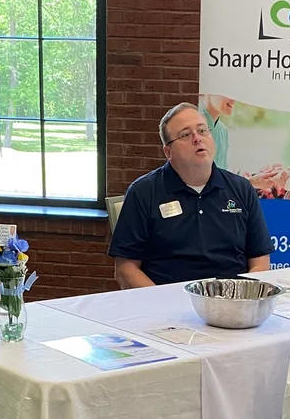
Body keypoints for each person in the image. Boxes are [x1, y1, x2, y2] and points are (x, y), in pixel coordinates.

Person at [109, 102, 272, 288]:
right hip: (166, 306)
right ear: (168, 152)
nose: (197, 139)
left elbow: (260, 261)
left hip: (231, 303)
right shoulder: (143, 192)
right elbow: (125, 269)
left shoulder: (242, 189)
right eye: (185, 135)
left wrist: (239, 300)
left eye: (203, 131)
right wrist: (161, 304)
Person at [199, 94, 235, 170]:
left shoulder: (223, 130)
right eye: (226, 92)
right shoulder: (195, 125)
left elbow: (222, 173)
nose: (233, 100)